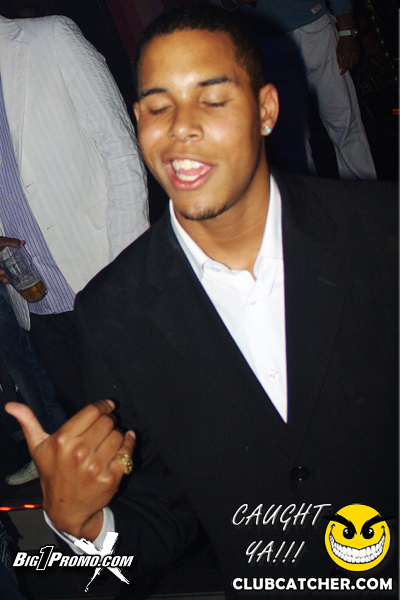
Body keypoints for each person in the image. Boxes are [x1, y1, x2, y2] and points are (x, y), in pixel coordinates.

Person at [6, 5, 397, 599]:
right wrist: (81, 523)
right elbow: (161, 511)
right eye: (158, 106)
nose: (180, 128)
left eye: (212, 100)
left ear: (266, 109)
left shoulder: (382, 236)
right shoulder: (115, 315)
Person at [0, 13, 149, 417]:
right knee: (96, 436)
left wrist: (128, 273)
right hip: (37, 308)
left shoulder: (50, 37)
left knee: (154, 423)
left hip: (105, 279)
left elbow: (122, 151)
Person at [216, 0, 377, 180]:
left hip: (313, 28)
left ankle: (363, 190)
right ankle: (303, 195)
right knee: (292, 134)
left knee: (343, 119)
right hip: (268, 41)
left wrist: (346, 32)